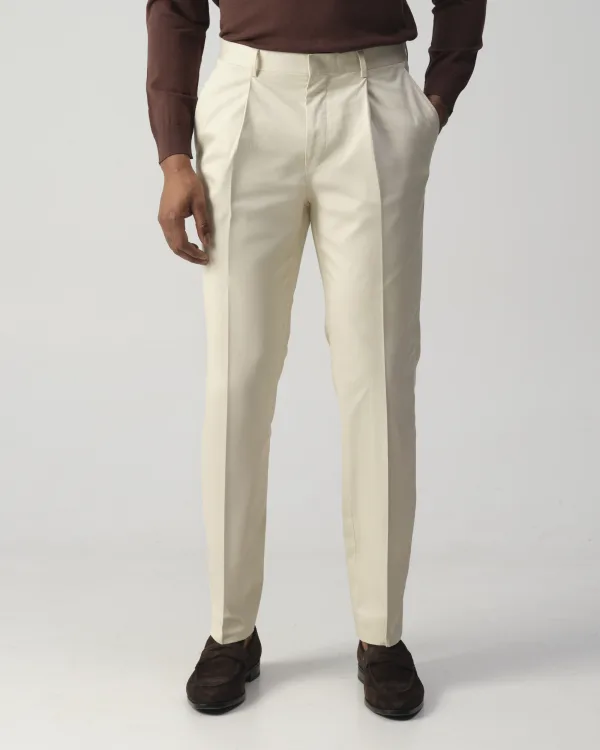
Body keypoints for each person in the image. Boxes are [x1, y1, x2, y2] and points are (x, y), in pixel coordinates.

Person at [146, 0, 487, 718]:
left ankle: (381, 633)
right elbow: (175, 5)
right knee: (236, 384)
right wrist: (174, 152)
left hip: (373, 96)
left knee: (378, 379)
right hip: (248, 100)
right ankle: (230, 631)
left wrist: (436, 98)